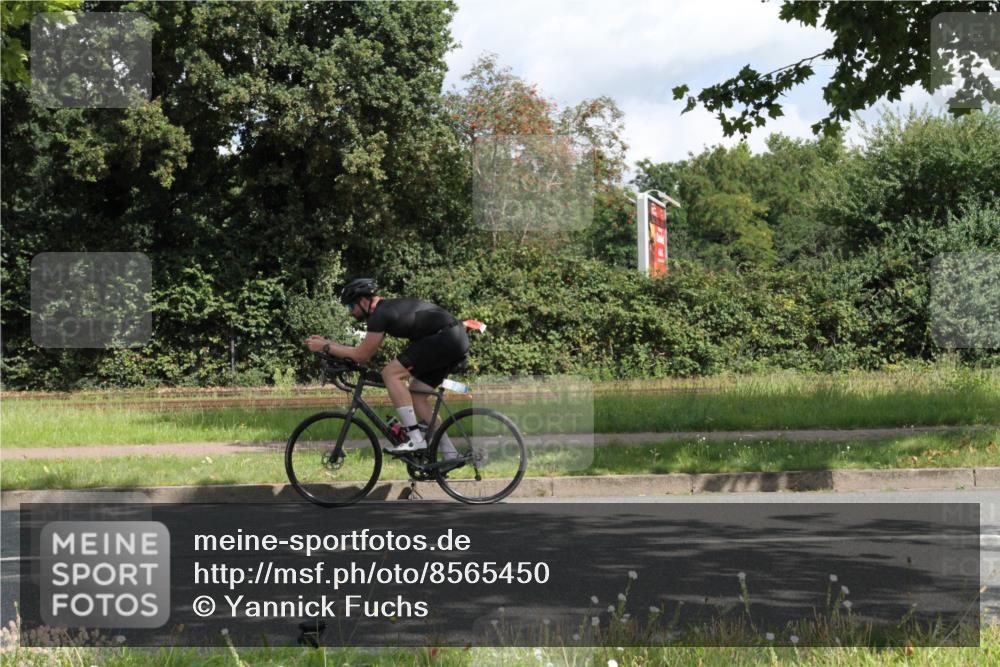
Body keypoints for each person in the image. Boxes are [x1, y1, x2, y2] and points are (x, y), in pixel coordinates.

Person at [304, 278, 469, 455]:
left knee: (390, 374)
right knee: (417, 395)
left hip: (445, 338)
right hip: (453, 338)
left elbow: (361, 356)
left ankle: (415, 439)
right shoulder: (385, 310)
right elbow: (364, 352)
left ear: (363, 301)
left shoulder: (380, 315)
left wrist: (325, 347)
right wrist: (328, 343)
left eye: (350, 307)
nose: (350, 313)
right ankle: (450, 453)